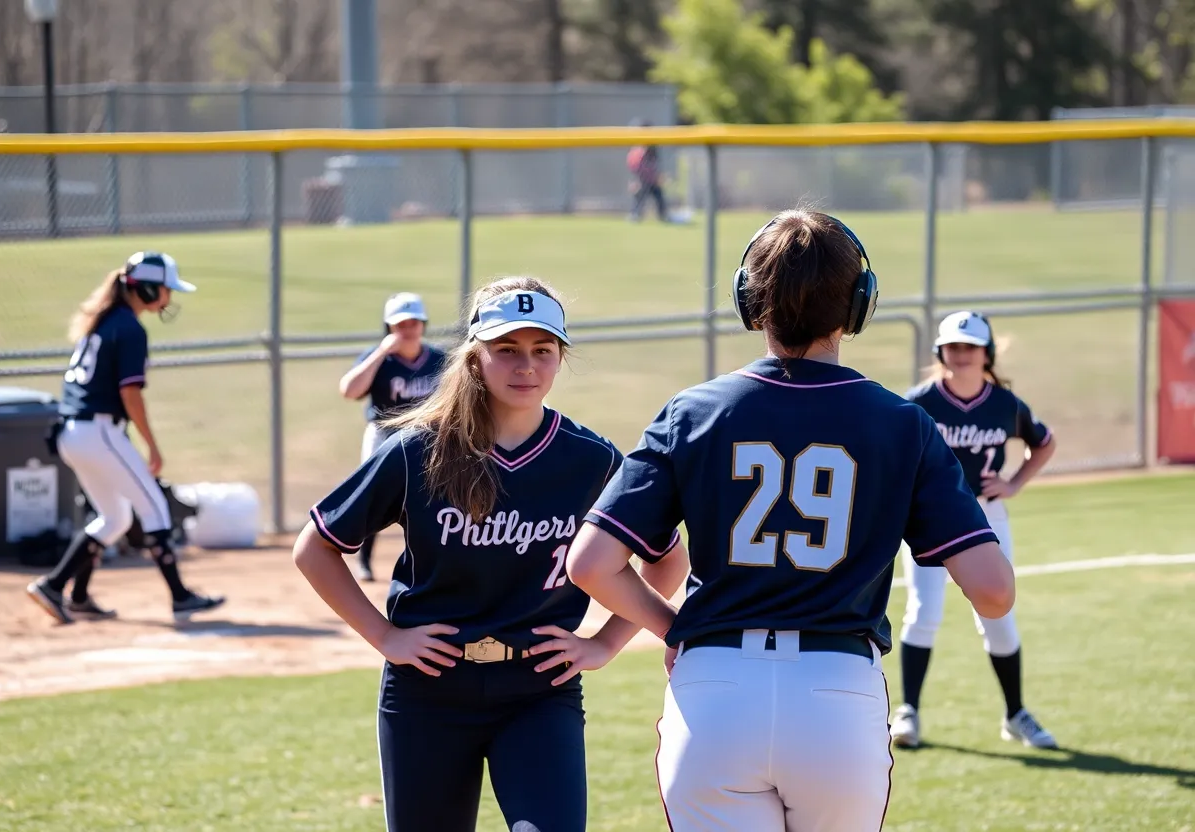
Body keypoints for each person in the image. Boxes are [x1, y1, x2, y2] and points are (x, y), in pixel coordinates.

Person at [565, 210, 1016, 832]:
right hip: (837, 690)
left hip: (714, 689)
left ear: (750, 301)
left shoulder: (693, 412)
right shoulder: (901, 423)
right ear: (858, 306)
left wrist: (676, 629)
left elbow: (591, 564)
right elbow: (994, 593)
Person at [293, 276, 689, 832]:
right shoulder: (420, 448)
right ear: (475, 358)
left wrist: (605, 643)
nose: (525, 365)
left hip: (538, 692)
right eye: (506, 349)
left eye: (542, 350)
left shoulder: (590, 460)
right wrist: (385, 636)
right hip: (427, 693)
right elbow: (316, 548)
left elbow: (667, 558)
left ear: (559, 359)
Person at [889, 311, 1059, 751]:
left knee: (998, 616)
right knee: (923, 612)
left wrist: (1015, 482)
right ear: (940, 352)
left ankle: (1016, 713)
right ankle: (908, 711)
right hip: (928, 519)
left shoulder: (1004, 403)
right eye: (953, 347)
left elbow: (1044, 442)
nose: (961, 355)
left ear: (987, 354)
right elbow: (893, 455)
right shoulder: (920, 400)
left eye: (970, 347)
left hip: (986, 514)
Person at [26, 251, 226, 625]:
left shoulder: (104, 321)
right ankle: (181, 598)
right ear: (148, 289)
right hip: (97, 429)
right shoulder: (130, 328)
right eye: (166, 289)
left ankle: (64, 590)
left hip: (74, 432)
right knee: (154, 507)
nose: (169, 298)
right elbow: (130, 394)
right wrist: (151, 444)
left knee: (114, 517)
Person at [337, 291, 447, 582]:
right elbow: (349, 390)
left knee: (432, 499)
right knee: (374, 496)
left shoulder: (438, 359)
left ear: (423, 324)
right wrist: (380, 353)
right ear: (389, 328)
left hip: (426, 436)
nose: (407, 330)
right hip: (384, 434)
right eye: (400, 324)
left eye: (413, 323)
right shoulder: (380, 360)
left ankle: (429, 563)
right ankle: (364, 561)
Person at [627, 117, 668, 222]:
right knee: (639, 197)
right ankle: (635, 215)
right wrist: (634, 179)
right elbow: (633, 163)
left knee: (659, 197)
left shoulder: (652, 146)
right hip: (642, 178)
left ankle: (663, 215)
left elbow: (656, 162)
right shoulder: (637, 146)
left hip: (652, 178)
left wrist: (658, 175)